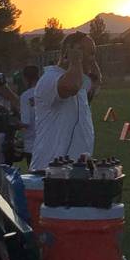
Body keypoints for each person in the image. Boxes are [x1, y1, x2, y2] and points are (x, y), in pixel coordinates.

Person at [30, 32, 102, 171]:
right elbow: (71, 86)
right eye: (90, 53)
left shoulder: (79, 79)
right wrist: (74, 61)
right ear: (72, 52)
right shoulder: (50, 78)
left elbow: (97, 82)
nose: (92, 60)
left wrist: (90, 62)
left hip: (72, 170)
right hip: (49, 170)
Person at [19, 65, 40, 167]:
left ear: (25, 78)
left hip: (31, 144)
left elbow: (25, 122)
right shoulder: (45, 92)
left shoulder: (26, 96)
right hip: (50, 140)